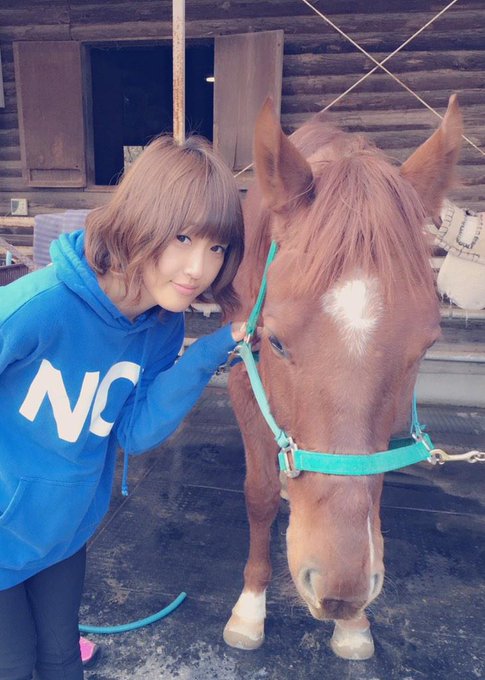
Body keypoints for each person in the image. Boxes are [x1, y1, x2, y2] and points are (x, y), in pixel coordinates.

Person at [0, 135, 246, 679]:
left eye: (216, 247)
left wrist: (208, 352)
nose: (198, 268)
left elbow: (135, 431)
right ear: (140, 220)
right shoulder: (38, 307)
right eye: (183, 237)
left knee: (62, 658)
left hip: (64, 534)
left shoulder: (162, 325)